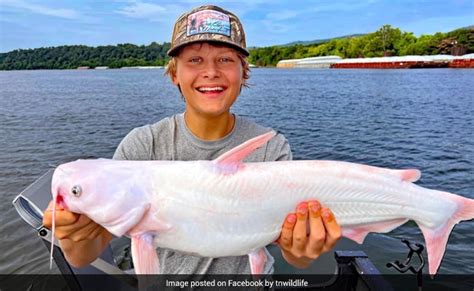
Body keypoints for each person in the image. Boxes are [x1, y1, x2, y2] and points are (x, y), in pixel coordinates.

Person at [43, 4, 341, 274]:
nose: (210, 72)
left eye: (225, 59)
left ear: (243, 71)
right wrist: (73, 237)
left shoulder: (270, 147)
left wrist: (305, 248)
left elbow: (296, 256)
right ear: (174, 74)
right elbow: (83, 256)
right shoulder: (143, 146)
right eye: (194, 60)